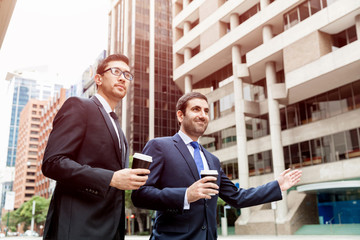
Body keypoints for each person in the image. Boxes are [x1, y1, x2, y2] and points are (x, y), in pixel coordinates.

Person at [131, 92, 302, 240]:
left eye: (206, 111)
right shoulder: (159, 146)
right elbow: (140, 194)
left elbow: (237, 197)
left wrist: (277, 186)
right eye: (196, 109)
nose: (203, 115)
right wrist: (185, 195)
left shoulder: (212, 159)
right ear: (180, 115)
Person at [42, 54, 150, 240]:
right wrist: (111, 178)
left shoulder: (119, 131)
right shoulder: (78, 106)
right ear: (98, 79)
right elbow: (53, 162)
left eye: (127, 75)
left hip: (111, 230)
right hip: (78, 229)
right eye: (116, 71)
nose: (123, 77)